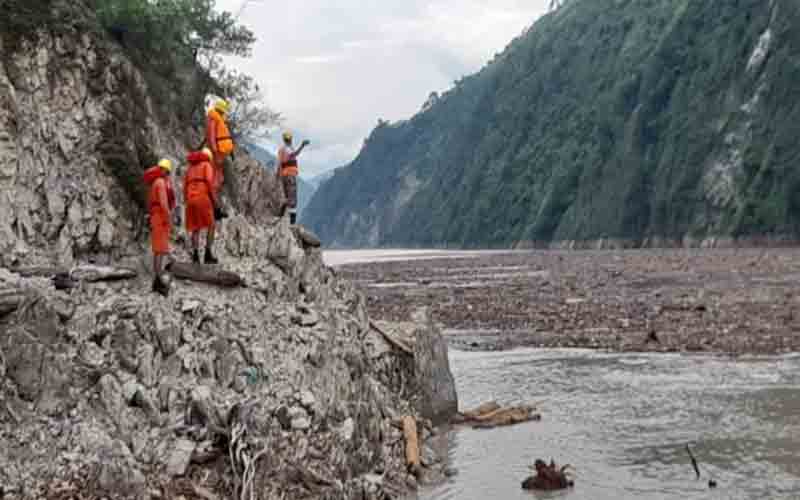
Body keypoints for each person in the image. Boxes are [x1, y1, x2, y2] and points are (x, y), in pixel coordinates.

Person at [143, 158, 176, 295]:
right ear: (165, 171)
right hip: (160, 218)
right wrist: (169, 220)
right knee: (160, 249)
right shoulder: (161, 183)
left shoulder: (155, 183)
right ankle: (158, 282)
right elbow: (163, 204)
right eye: (167, 173)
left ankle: (158, 279)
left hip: (155, 217)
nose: (168, 175)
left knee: (159, 249)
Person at [184, 148, 219, 265]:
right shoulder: (206, 165)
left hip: (190, 200)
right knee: (212, 225)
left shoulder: (190, 168)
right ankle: (207, 254)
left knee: (195, 228)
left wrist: (186, 200)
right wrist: (215, 203)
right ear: (208, 158)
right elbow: (209, 183)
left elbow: (184, 187)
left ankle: (195, 257)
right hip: (202, 198)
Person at [276, 131, 310, 224]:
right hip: (290, 175)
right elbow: (293, 155)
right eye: (290, 139)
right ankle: (291, 221)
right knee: (293, 198)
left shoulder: (281, 150)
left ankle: (281, 213)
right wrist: (302, 146)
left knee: (288, 196)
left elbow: (279, 164)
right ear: (290, 139)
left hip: (284, 175)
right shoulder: (288, 149)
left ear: (284, 139)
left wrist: (277, 175)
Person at [206, 98, 234, 205]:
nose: (224, 113)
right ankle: (213, 198)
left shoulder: (218, 117)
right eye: (223, 111)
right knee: (216, 176)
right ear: (220, 110)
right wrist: (215, 151)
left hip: (222, 152)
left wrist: (227, 103)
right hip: (218, 152)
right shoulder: (213, 118)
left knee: (219, 176)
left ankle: (216, 197)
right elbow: (212, 136)